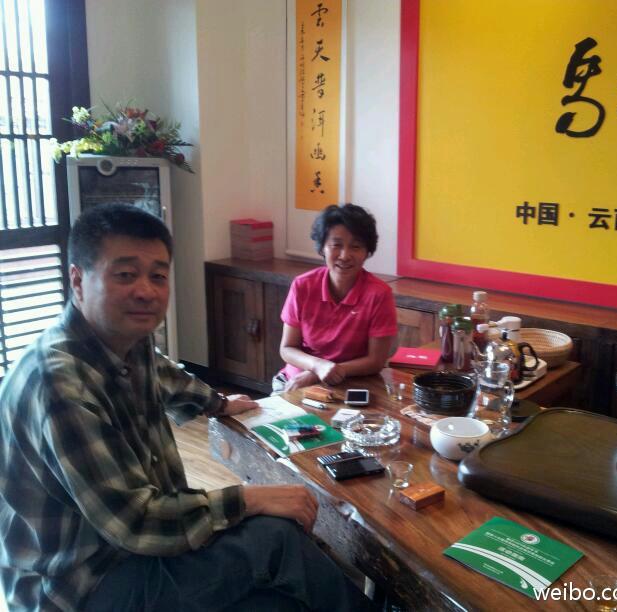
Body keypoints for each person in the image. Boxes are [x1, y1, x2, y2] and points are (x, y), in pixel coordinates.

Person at [0, 204, 368, 611]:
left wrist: (220, 403)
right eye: (125, 274)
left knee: (280, 601)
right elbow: (136, 523)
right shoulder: (58, 385)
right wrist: (248, 498)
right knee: (274, 539)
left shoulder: (124, 341)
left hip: (129, 553)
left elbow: (165, 375)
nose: (145, 290)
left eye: (158, 276)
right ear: (78, 280)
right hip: (80, 586)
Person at [276, 203, 398, 391]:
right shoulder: (303, 285)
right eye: (336, 245)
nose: (345, 255)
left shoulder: (379, 294)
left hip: (350, 384)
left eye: (356, 246)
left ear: (367, 252)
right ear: (322, 248)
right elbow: (287, 348)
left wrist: (324, 372)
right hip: (295, 382)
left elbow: (376, 361)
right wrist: (317, 366)